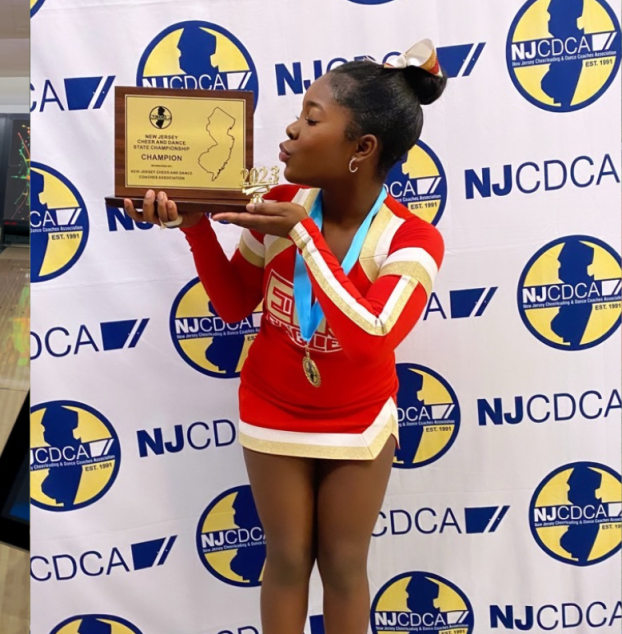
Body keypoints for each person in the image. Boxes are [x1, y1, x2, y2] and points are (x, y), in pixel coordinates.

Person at [124, 40, 447, 633]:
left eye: (312, 120)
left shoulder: (411, 240)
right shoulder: (279, 204)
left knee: (345, 565)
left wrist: (306, 239)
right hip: (271, 406)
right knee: (287, 559)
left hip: (357, 419)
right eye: (299, 115)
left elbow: (372, 336)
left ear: (362, 149)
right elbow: (232, 304)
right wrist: (195, 227)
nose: (291, 132)